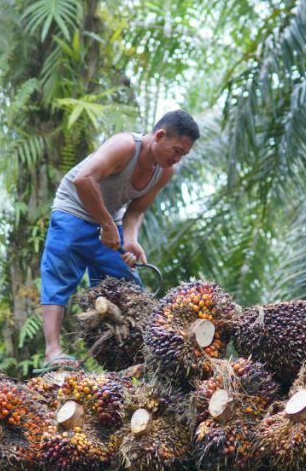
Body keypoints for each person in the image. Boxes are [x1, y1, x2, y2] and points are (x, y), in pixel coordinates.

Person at [38, 110, 200, 370]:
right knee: (59, 276)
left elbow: (136, 210)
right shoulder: (125, 145)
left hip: (109, 219)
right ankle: (53, 351)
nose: (177, 158)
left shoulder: (164, 172)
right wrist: (106, 224)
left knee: (127, 285)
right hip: (73, 210)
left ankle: (130, 363)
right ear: (159, 136)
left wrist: (130, 240)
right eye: (176, 150)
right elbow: (84, 179)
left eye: (183, 154)